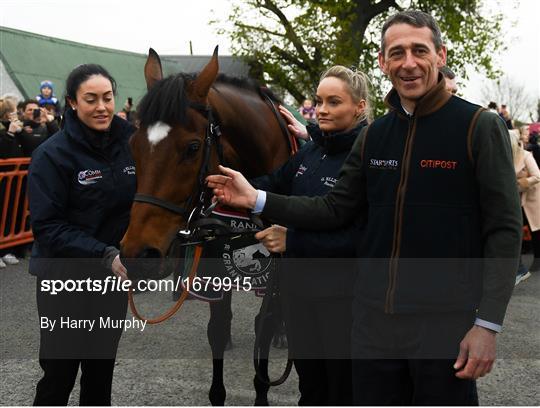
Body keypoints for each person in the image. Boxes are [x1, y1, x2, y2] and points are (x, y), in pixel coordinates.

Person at [207, 10, 522, 405]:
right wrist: (255, 198)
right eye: (397, 52)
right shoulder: (374, 136)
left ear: (440, 55)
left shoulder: (478, 125)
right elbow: (334, 208)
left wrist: (487, 324)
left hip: (444, 324)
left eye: (419, 50)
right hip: (372, 323)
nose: (408, 63)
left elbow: (504, 230)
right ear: (382, 62)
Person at [252, 65, 369, 405]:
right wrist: (223, 183)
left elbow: (363, 237)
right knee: (311, 388)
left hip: (343, 300)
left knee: (342, 390)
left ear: (359, 107)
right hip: (297, 293)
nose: (322, 110)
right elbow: (269, 187)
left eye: (334, 102)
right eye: (319, 101)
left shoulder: (364, 158)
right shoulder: (310, 152)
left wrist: (294, 241)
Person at [28, 64, 136, 405]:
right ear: (73, 102)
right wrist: (105, 253)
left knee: (100, 375)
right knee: (59, 376)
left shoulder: (130, 145)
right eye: (91, 99)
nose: (102, 106)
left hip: (111, 281)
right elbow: (48, 227)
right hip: (65, 281)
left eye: (107, 97)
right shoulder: (51, 154)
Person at [509, 129, 540, 277]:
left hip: (531, 197)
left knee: (536, 230)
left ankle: (537, 259)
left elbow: (537, 176)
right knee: (516, 230)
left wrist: (520, 183)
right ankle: (519, 265)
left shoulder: (526, 155)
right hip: (515, 198)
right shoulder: (504, 156)